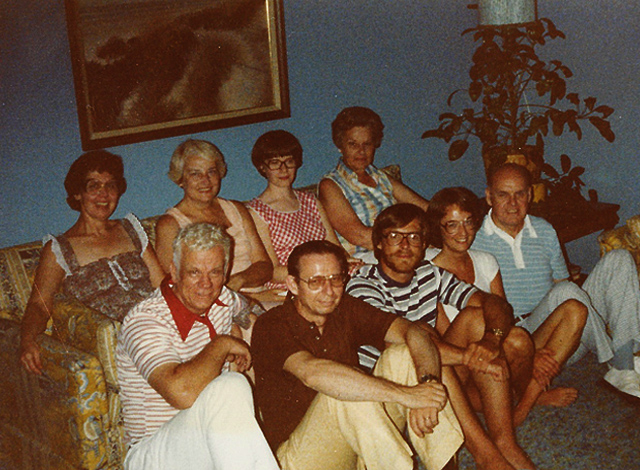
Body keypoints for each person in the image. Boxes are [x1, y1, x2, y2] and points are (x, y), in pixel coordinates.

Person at [347, 203, 535, 470]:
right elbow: (400, 344)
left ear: (425, 244)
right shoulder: (362, 285)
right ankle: (486, 456)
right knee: (424, 340)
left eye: (414, 237)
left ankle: (504, 441)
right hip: (388, 389)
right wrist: (472, 358)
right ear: (378, 243)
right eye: (394, 236)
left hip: (431, 372)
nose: (405, 245)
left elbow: (494, 303)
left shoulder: (429, 273)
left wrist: (490, 342)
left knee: (476, 318)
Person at [252, 240, 464, 470]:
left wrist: (427, 386)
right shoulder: (271, 325)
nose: (329, 291)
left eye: (336, 279)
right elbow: (312, 373)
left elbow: (414, 332)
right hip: (299, 459)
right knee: (341, 391)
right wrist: (407, 395)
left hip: (354, 447)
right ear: (293, 284)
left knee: (403, 356)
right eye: (316, 282)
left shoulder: (344, 308)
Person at [473, 163, 640, 419]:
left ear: (530, 195)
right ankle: (621, 363)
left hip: (564, 336)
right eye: (503, 194)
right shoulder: (475, 240)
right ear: (489, 197)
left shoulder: (544, 230)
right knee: (566, 292)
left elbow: (562, 283)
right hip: (517, 342)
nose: (513, 203)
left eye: (519, 194)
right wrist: (530, 351)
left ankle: (624, 359)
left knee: (618, 258)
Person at [116, 223, 279, 470]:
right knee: (231, 385)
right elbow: (181, 394)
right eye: (194, 272)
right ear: (174, 272)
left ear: (226, 272)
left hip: (209, 441)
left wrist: (248, 331)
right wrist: (223, 344)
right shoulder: (145, 320)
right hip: (153, 454)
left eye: (215, 272)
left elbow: (247, 309)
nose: (206, 284)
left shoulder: (223, 298)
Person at [20, 150, 165, 375]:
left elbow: (162, 285)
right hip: (121, 343)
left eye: (110, 185)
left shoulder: (130, 229)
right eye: (94, 186)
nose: (104, 194)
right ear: (77, 193)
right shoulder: (59, 249)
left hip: (160, 325)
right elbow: (39, 305)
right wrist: (27, 340)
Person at [155, 139, 272, 292]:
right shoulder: (169, 225)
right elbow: (176, 284)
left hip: (259, 295)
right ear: (180, 179)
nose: (205, 180)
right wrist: (229, 293)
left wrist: (238, 281)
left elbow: (265, 266)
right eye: (195, 174)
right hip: (211, 302)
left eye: (211, 172)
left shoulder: (236, 210)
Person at [319, 106, 429, 262]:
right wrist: (411, 240)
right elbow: (360, 236)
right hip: (366, 258)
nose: (361, 151)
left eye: (367, 144)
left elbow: (428, 209)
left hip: (400, 248)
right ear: (340, 146)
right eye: (353, 144)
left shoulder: (381, 177)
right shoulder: (331, 185)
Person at [245, 130, 341, 289]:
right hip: (291, 285)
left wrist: (346, 263)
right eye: (275, 163)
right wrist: (315, 272)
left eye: (289, 161)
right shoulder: (257, 212)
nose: (283, 169)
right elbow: (273, 271)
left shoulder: (311, 201)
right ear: (262, 167)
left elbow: (336, 248)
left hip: (326, 277)